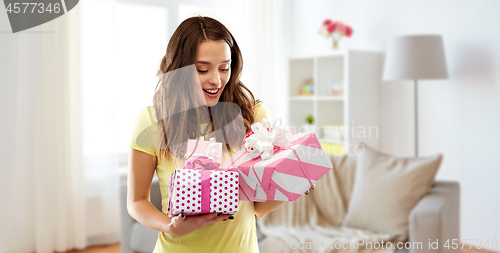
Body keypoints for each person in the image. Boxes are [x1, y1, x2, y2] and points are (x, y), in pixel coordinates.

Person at [127, 16, 312, 253]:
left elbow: (258, 207)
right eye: (202, 69)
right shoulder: (152, 120)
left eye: (224, 67)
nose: (216, 80)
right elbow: (136, 202)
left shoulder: (251, 115)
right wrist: (171, 226)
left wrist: (291, 183)